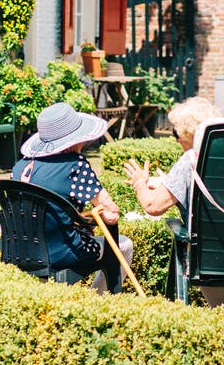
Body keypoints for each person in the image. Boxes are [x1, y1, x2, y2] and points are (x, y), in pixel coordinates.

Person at [122, 96, 224, 312]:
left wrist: (140, 183)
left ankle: (222, 314)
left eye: (175, 133)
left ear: (188, 134)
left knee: (200, 241)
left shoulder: (191, 159)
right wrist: (170, 183)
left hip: (212, 254)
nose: (176, 139)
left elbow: (152, 206)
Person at [13, 102, 134, 293]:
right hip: (59, 253)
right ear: (76, 140)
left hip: (18, 251)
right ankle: (98, 302)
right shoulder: (74, 165)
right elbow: (111, 214)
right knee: (125, 245)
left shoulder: (19, 167)